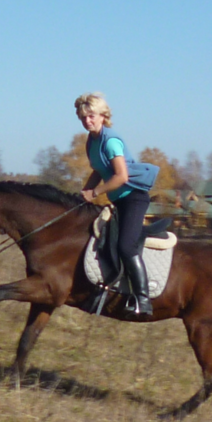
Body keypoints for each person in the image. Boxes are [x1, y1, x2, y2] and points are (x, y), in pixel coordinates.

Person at [75, 93, 159, 316]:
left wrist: (95, 192)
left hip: (133, 198)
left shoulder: (110, 141)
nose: (87, 121)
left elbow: (121, 177)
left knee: (125, 246)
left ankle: (143, 299)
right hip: (118, 199)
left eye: (91, 116)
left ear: (103, 115)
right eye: (83, 117)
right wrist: (84, 191)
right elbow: (99, 170)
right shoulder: (92, 141)